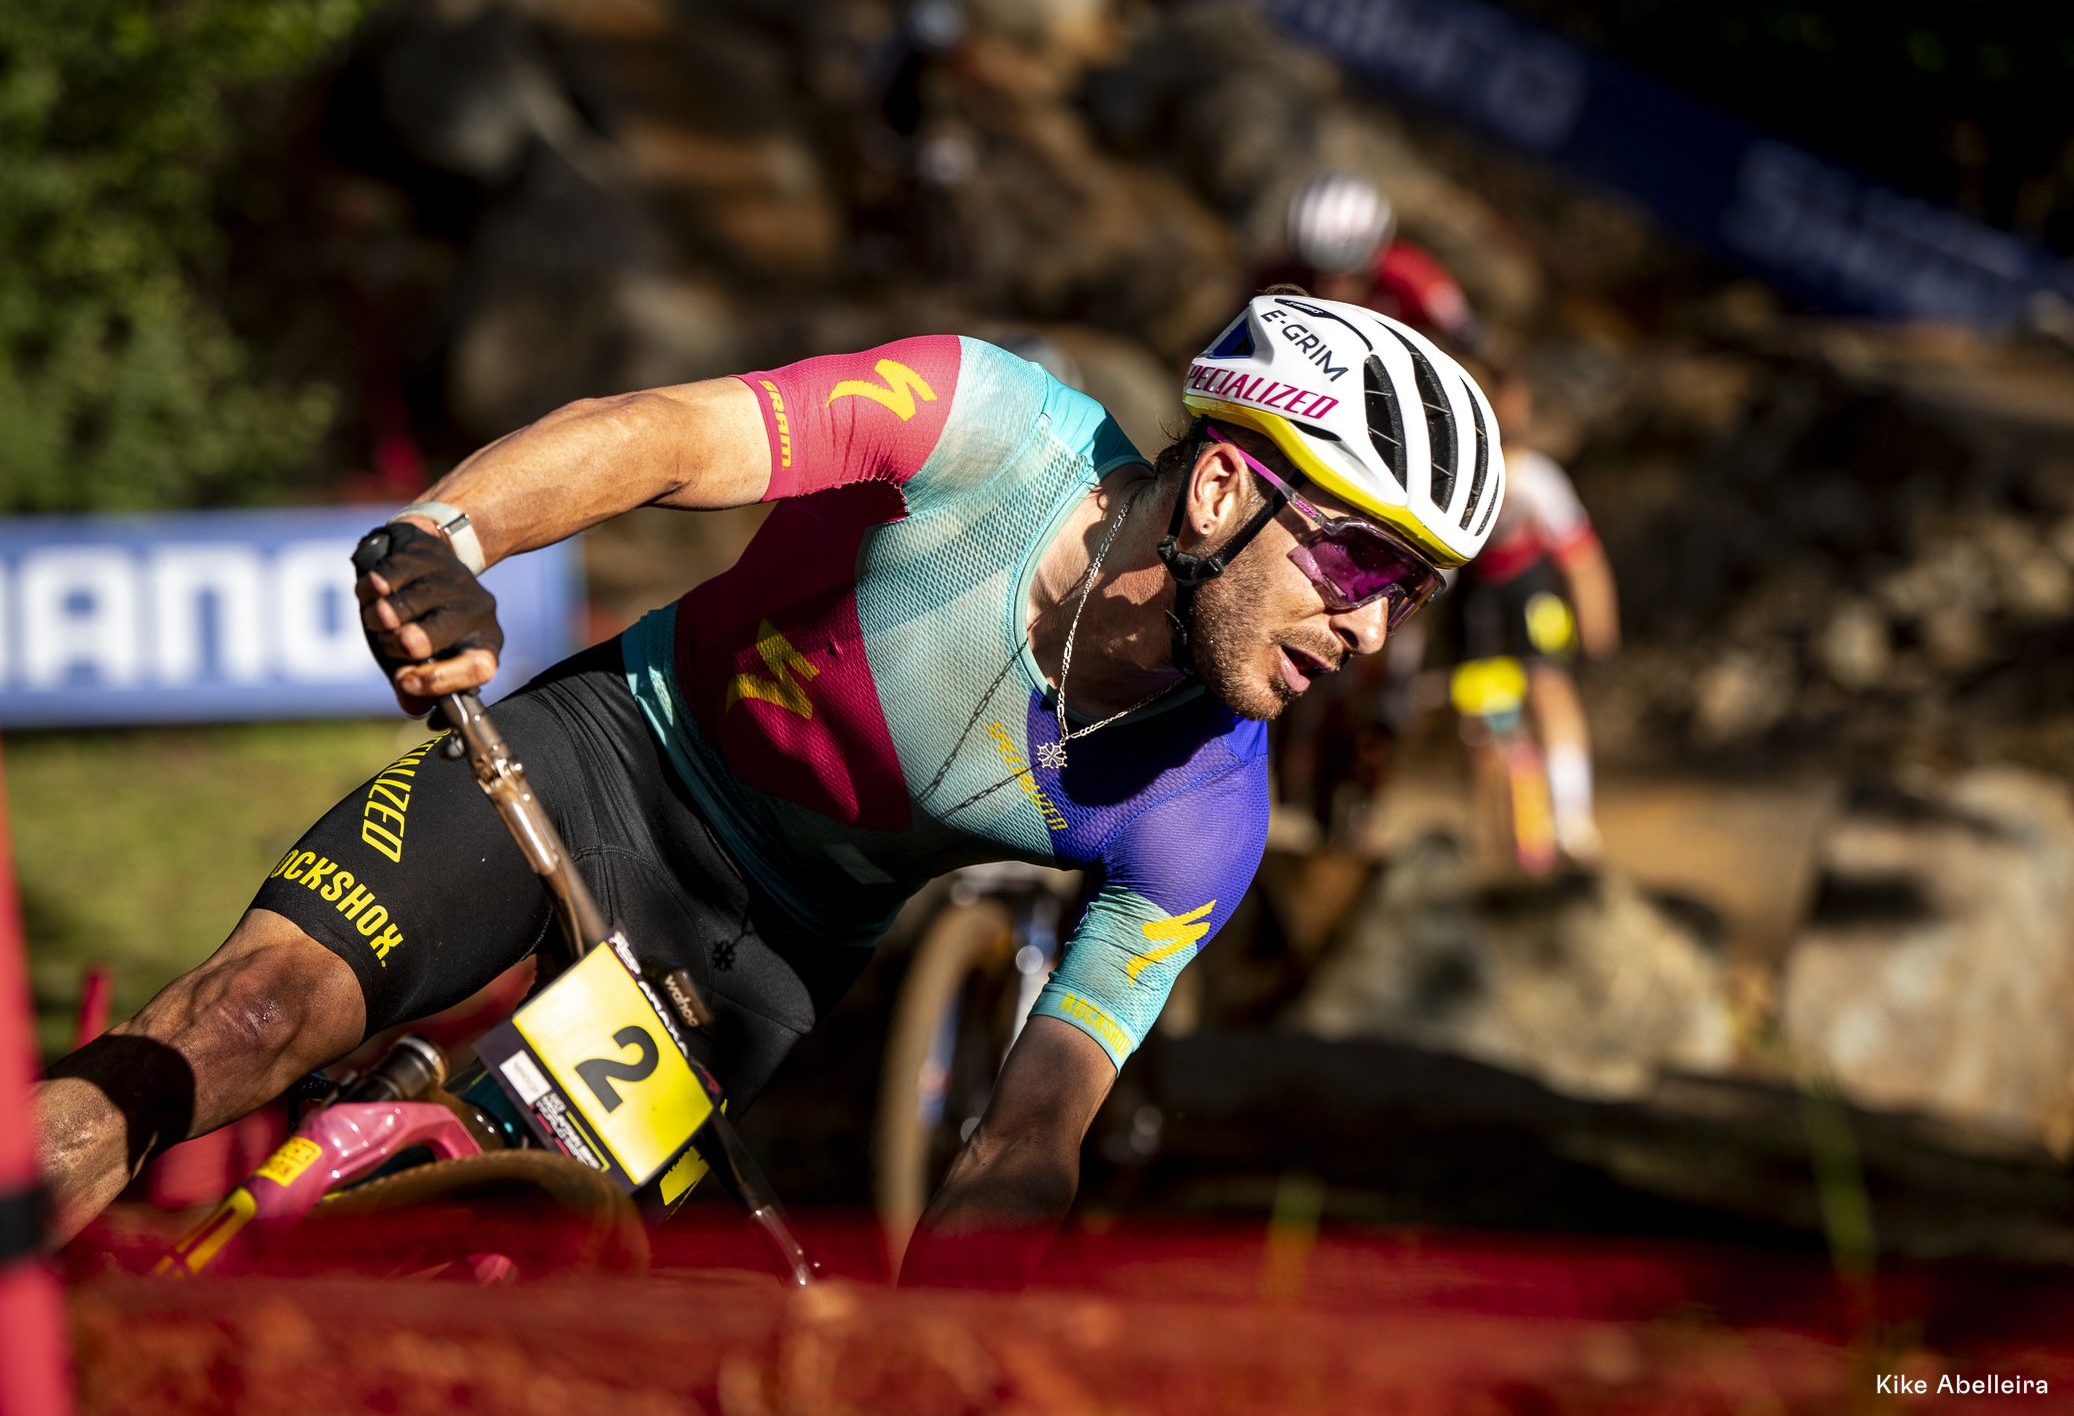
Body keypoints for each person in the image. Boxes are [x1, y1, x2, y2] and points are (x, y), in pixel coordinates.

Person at [35, 295, 1503, 1284]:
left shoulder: (1206, 812)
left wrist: (942, 1353)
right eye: (1356, 560)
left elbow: (1027, 1136)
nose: (1373, 628)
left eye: (1411, 593)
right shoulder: (985, 428)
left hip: (752, 962)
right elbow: (668, 434)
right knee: (245, 1018)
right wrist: (450, 536)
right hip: (609, 754)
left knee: (488, 1260)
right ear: (1223, 491)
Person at [1447, 374, 1618, 864]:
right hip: (1477, 595)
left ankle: (1572, 821)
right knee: (1479, 713)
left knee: (1549, 687)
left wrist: (1597, 623)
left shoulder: (1540, 478)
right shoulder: (1457, 471)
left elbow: (1581, 557)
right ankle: (1495, 831)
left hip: (1531, 588)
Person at [1263, 171, 1483, 355]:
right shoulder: (1279, 277)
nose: (1324, 288)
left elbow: (1477, 345)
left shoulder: (1412, 276)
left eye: (1341, 274)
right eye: (1314, 271)